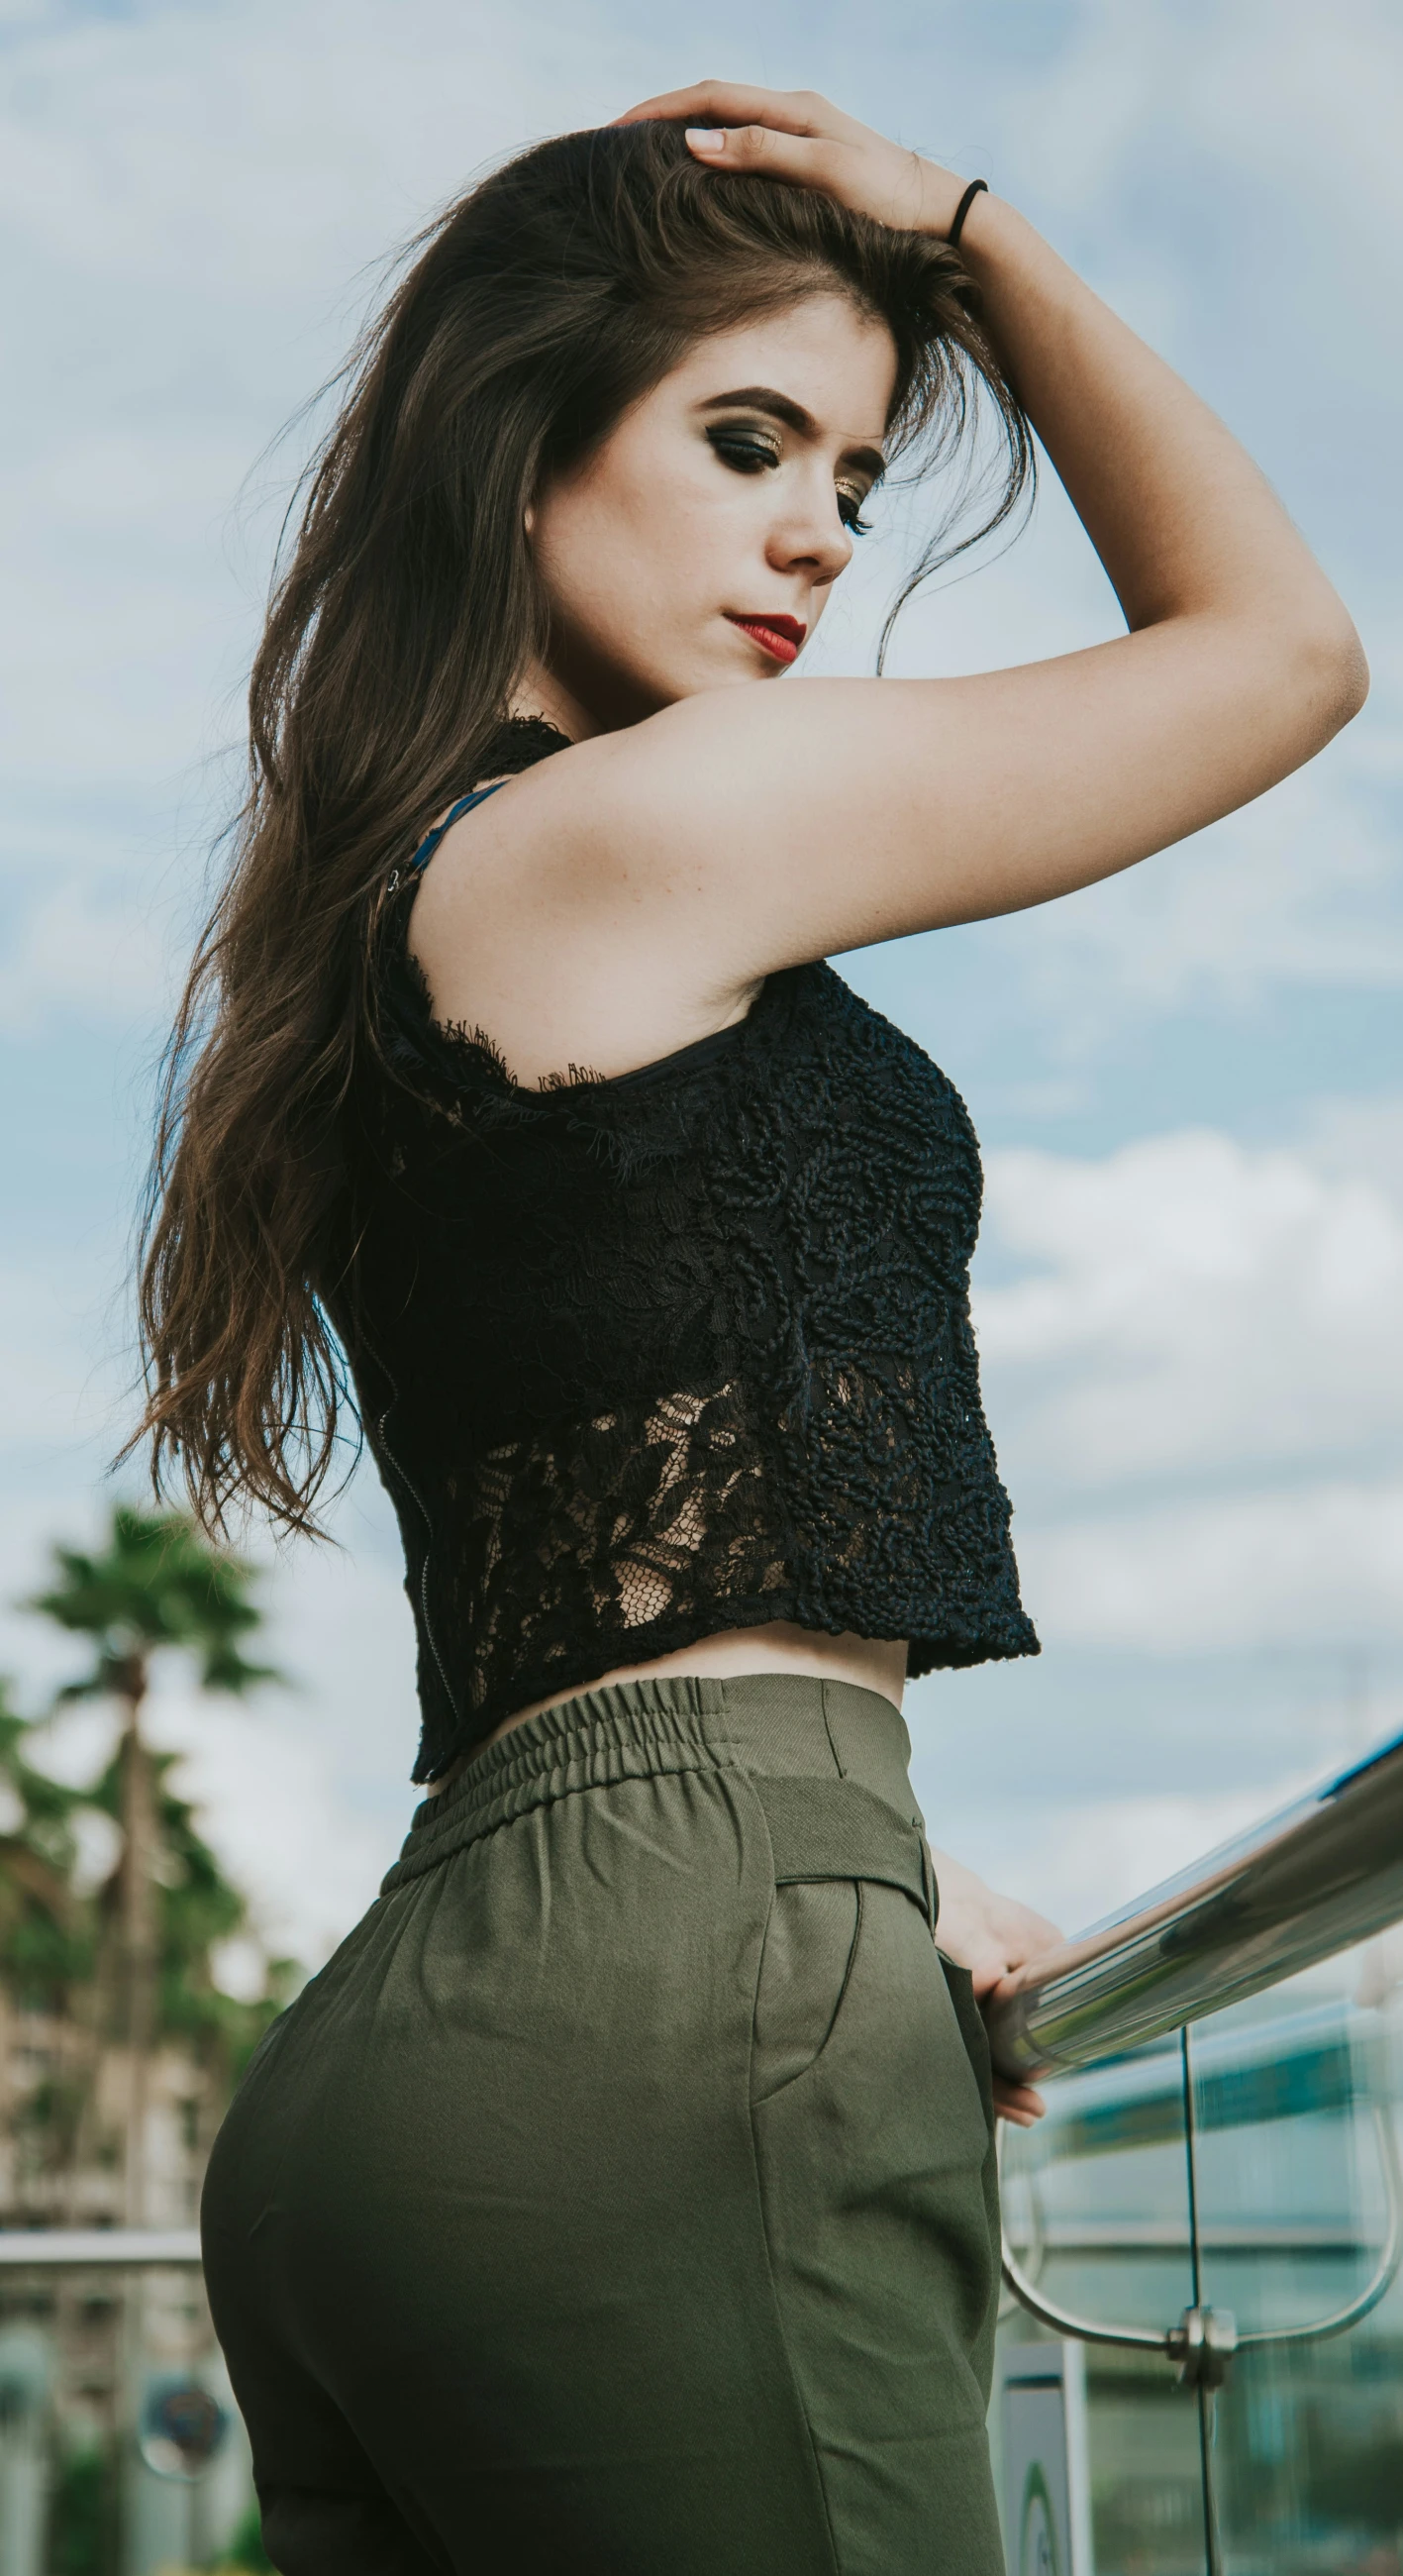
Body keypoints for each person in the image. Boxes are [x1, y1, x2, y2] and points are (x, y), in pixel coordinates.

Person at [135, 87, 1366, 2576]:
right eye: (744, 437)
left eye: (858, 475)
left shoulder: (405, 909)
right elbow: (1282, 655)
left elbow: (627, 1608)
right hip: (666, 2028)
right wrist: (974, 230)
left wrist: (853, 1866)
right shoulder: (620, 832)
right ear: (516, 444)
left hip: (438, 2042)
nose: (818, 524)